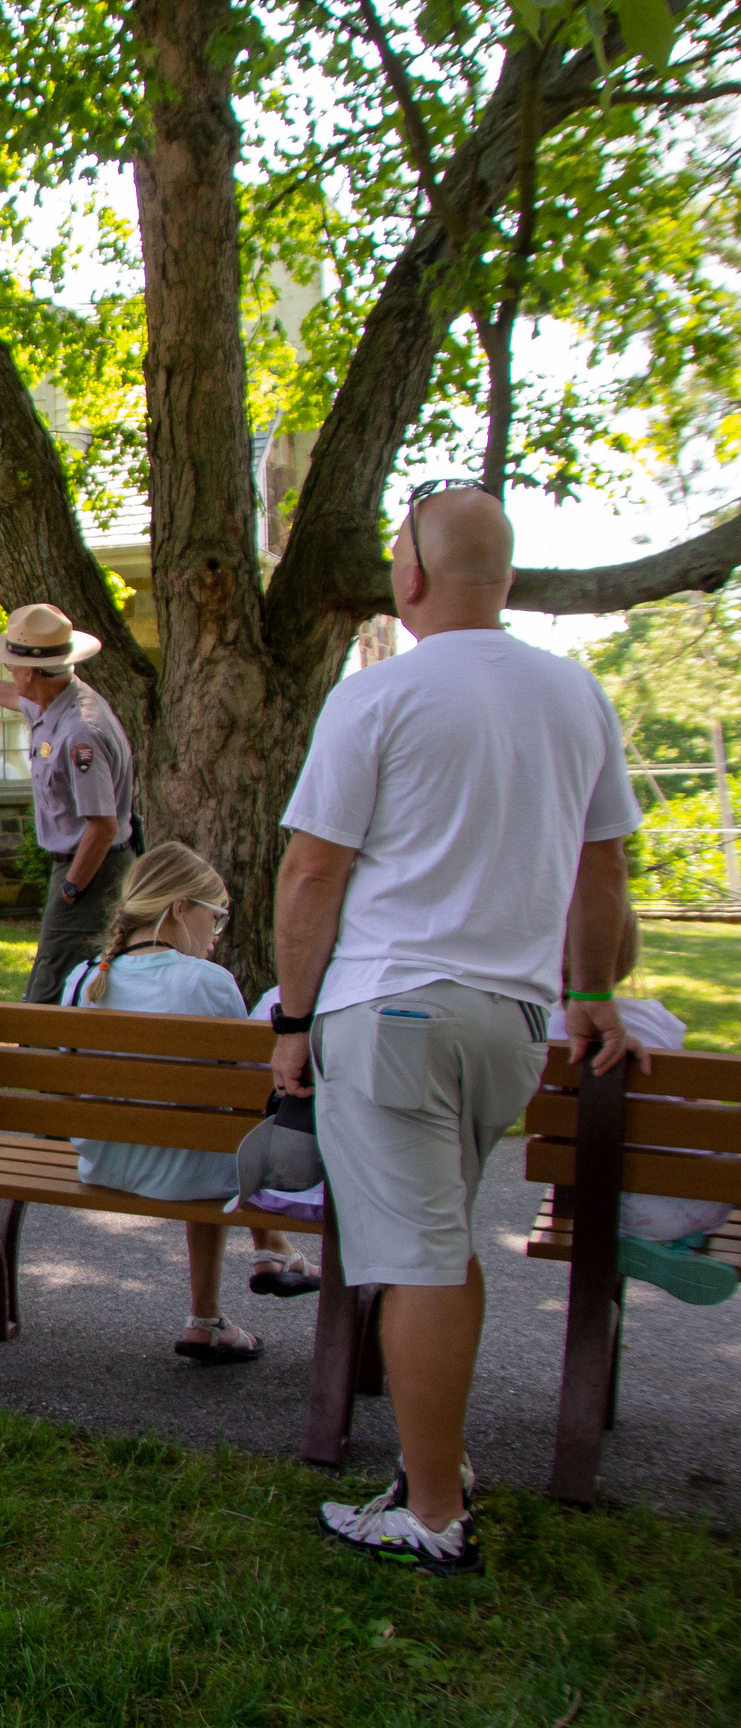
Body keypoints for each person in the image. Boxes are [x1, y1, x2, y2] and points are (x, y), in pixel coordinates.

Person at [271, 481, 643, 1576]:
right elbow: (602, 866)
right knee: (443, 1243)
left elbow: (312, 870)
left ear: (411, 576)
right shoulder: (576, 697)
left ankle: (432, 1512)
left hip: (389, 1013)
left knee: (422, 1256)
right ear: (509, 576)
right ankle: (444, 1465)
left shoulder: (377, 697)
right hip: (511, 1024)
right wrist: (592, 994)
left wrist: (292, 1017)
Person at [58, 842, 319, 1366]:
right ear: (180, 908)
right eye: (215, 918)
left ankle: (261, 1266)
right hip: (185, 1173)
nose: (216, 936)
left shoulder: (82, 980)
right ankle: (248, 1274)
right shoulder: (208, 983)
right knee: (220, 1132)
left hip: (104, 1162)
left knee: (204, 1132)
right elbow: (248, 1094)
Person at [0, 603, 136, 1003]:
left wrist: (72, 889)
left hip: (92, 868)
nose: (8, 672)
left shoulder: (80, 732)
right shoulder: (55, 700)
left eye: (10, 664)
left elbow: (102, 826)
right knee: (77, 983)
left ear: (31, 671)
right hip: (88, 865)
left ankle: (32, 1059)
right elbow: (14, 697)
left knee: (49, 985)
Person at [587, 920, 735, 1306]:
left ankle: (655, 1243)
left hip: (596, 1206)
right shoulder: (653, 1016)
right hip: (694, 1200)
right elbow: (696, 1104)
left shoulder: (546, 1031)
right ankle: (681, 1240)